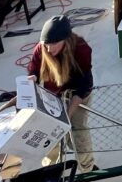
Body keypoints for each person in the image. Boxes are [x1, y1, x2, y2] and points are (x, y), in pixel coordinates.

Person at [27, 15, 96, 171]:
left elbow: (85, 85)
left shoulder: (81, 49)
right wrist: (32, 77)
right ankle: (50, 169)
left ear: (66, 39)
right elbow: (33, 70)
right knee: (49, 134)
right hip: (54, 96)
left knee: (78, 132)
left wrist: (67, 115)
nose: (49, 49)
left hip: (78, 96)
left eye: (54, 44)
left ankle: (88, 168)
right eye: (46, 44)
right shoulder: (41, 48)